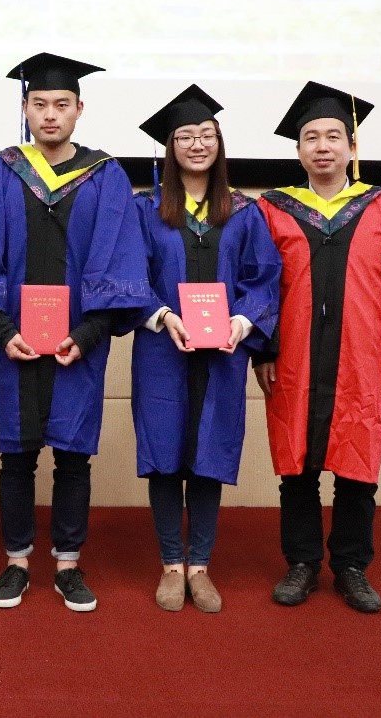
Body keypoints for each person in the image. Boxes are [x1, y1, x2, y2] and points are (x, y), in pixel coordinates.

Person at [254, 81, 381, 613]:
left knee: (357, 464)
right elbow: (260, 287)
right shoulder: (273, 211)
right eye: (311, 137)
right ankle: (301, 563)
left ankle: (351, 566)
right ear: (298, 149)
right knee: (296, 466)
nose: (322, 146)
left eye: (333, 136)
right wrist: (263, 351)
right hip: (293, 357)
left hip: (361, 358)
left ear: (351, 146)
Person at [0, 53, 150, 612]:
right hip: (14, 339)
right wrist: (1, 328)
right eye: (40, 104)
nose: (50, 114)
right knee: (17, 453)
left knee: (74, 455)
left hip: (80, 339)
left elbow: (119, 257)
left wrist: (91, 332)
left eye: (61, 104)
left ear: (79, 109)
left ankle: (68, 565)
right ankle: (17, 561)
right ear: (25, 109)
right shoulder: (0, 172)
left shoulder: (106, 175)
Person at [130, 85, 281, 612]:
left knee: (208, 454)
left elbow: (264, 276)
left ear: (219, 143)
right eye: (185, 136)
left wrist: (242, 320)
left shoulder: (243, 211)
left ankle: (201, 566)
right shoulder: (146, 209)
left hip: (223, 354)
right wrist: (162, 315)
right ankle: (171, 566)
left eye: (207, 135)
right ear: (169, 147)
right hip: (161, 351)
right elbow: (129, 276)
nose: (197, 144)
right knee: (164, 455)